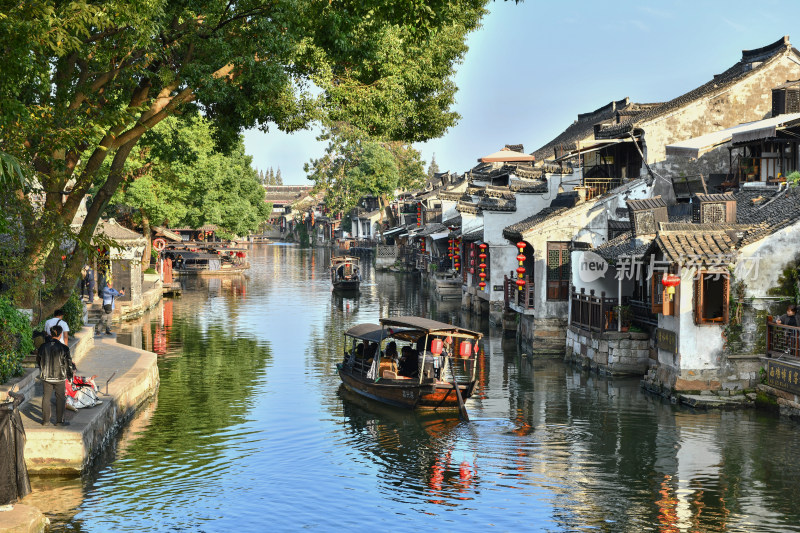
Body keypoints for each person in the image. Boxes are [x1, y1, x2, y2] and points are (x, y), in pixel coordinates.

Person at [37, 324, 73, 426]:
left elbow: (38, 361)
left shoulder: (43, 347)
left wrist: (43, 370)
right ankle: (59, 421)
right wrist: (70, 376)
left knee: (46, 397)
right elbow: (68, 364)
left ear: (50, 333)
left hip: (46, 376)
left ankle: (45, 421)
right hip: (60, 377)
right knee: (60, 398)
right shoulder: (64, 348)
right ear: (60, 334)